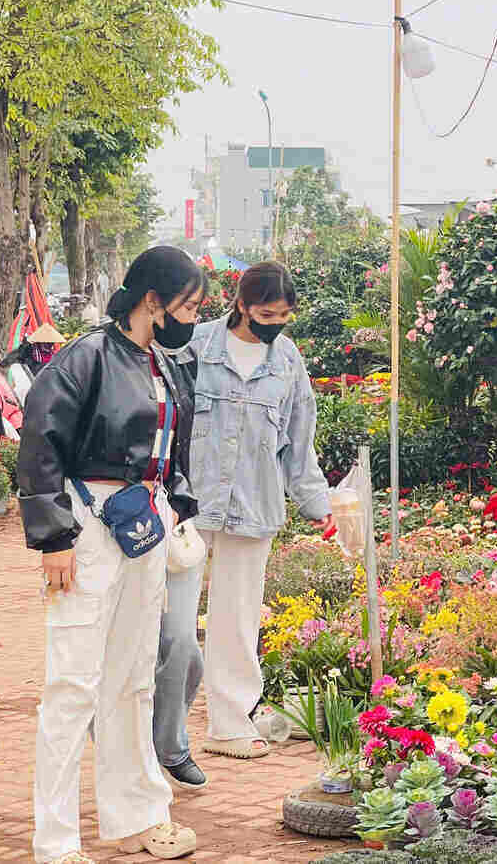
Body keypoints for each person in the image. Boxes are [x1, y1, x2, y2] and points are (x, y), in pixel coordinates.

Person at [18, 245, 206, 864]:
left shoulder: (166, 366)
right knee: (73, 682)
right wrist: (53, 537)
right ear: (153, 300)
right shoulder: (86, 357)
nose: (192, 317)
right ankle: (57, 841)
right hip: (88, 528)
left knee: (132, 680)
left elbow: (175, 447)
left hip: (145, 526)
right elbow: (41, 438)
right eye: (187, 305)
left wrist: (176, 499)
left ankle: (142, 814)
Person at [153, 261, 333, 789]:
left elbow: (299, 442)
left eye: (283, 315)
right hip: (190, 503)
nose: (275, 322)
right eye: (265, 313)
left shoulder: (289, 362)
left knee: (237, 619)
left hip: (254, 505)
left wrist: (318, 505)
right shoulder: (194, 346)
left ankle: (229, 725)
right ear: (241, 304)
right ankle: (160, 730)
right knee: (174, 627)